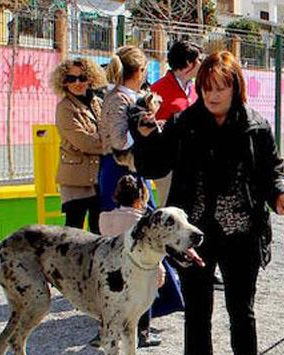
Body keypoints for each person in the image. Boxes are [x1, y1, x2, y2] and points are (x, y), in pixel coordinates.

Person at [133, 51, 284, 355]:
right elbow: (153, 163)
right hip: (194, 236)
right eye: (207, 88)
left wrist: (281, 194)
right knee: (198, 313)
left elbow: (273, 170)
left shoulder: (256, 125)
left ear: (235, 87)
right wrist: (143, 136)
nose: (213, 95)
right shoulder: (185, 123)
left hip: (242, 233)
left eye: (221, 87)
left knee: (243, 311)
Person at [97, 175, 181, 348]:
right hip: (135, 266)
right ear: (140, 198)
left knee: (112, 302)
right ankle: (144, 333)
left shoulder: (104, 217)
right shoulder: (140, 221)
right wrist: (159, 270)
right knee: (144, 298)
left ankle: (104, 332)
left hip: (111, 265)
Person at [51, 57, 107, 233]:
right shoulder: (64, 108)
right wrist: (111, 143)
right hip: (76, 178)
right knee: (73, 229)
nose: (77, 83)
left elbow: (107, 131)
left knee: (98, 228)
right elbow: (84, 141)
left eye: (82, 78)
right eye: (71, 79)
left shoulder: (98, 103)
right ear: (63, 82)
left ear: (90, 78)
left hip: (99, 176)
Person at [100, 46, 156, 214]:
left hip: (134, 167)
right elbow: (119, 141)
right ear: (140, 70)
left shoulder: (131, 96)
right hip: (119, 170)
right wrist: (141, 130)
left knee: (146, 215)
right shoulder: (118, 99)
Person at [149, 40, 201, 207]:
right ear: (188, 63)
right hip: (167, 165)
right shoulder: (158, 90)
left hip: (191, 162)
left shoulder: (194, 90)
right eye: (198, 60)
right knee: (168, 208)